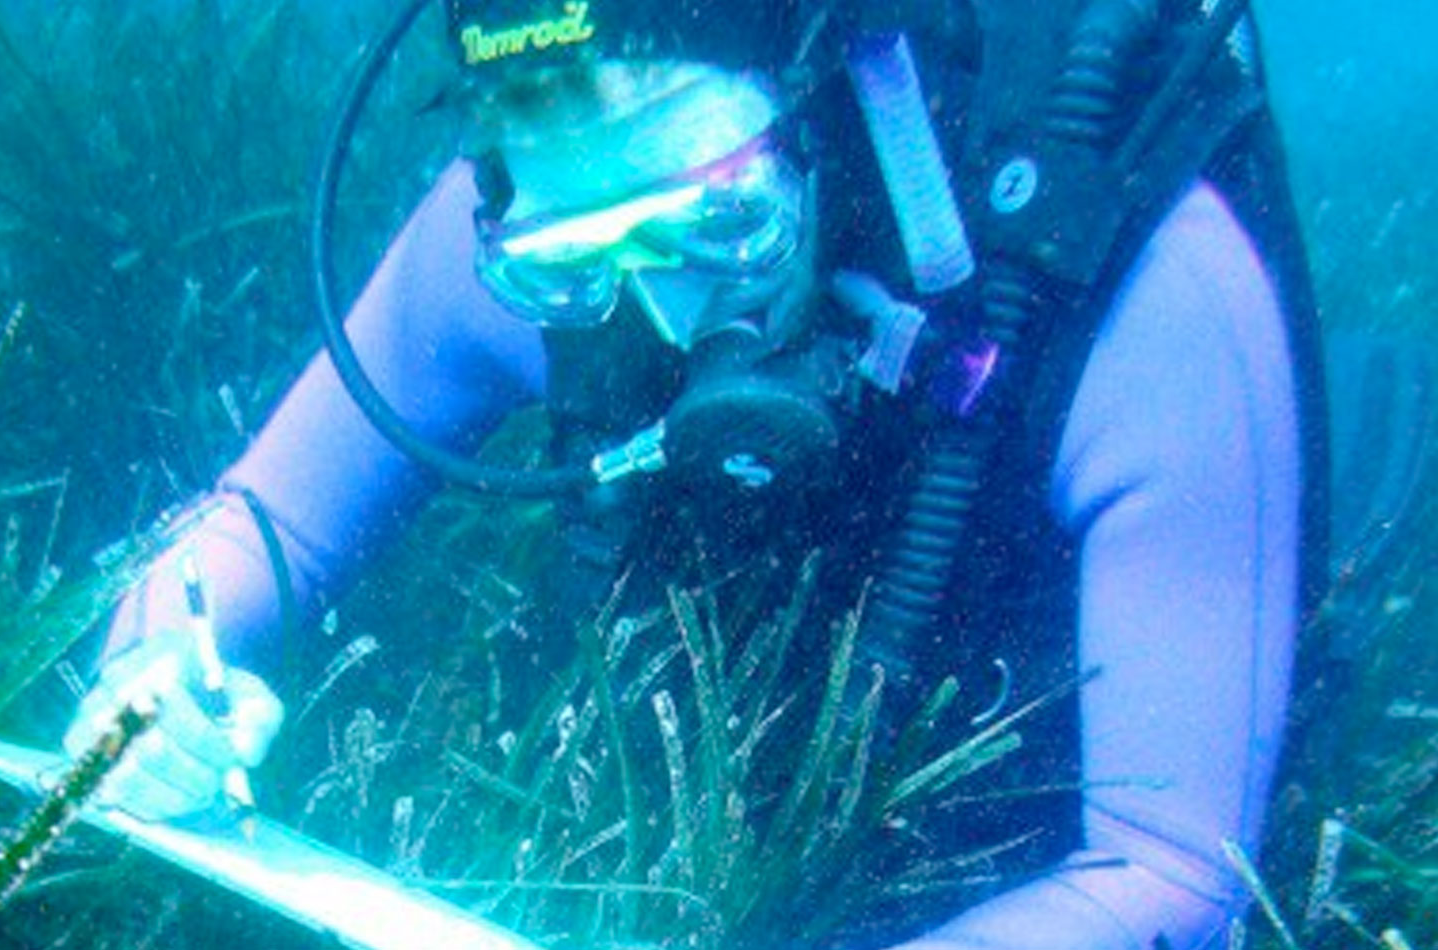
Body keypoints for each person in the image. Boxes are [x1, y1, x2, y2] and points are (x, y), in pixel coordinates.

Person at [66, 1, 1327, 948]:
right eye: (569, 262)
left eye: (721, 221)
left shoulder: (1152, 297)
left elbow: (1173, 871)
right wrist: (152, 675)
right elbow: (266, 514)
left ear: (824, 101)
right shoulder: (528, 191)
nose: (665, 317)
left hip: (1100, 602)